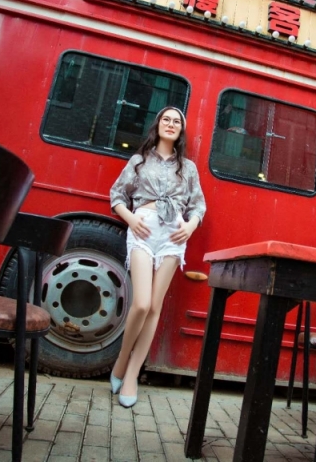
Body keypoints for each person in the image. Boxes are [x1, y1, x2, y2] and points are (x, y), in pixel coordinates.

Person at [108, 106, 206, 408]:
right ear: (158, 124)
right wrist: (130, 218)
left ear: (181, 131)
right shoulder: (139, 160)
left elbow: (198, 206)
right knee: (141, 303)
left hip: (173, 235)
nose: (171, 124)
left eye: (177, 121)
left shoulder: (188, 168)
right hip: (144, 228)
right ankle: (121, 359)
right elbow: (117, 195)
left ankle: (132, 374)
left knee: (154, 307)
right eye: (166, 119)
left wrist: (190, 226)